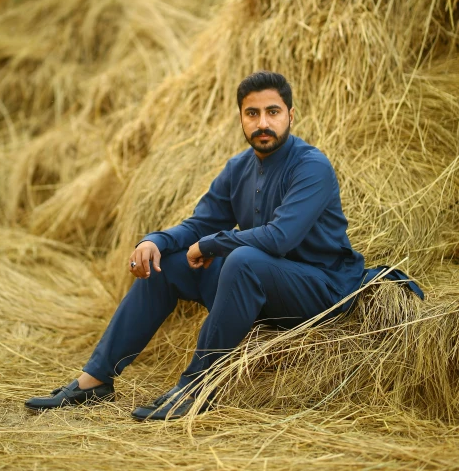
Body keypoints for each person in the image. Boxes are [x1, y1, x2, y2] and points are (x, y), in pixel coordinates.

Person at [24, 71, 420, 421]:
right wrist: (155, 241)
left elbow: (279, 238)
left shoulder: (311, 166)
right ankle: (95, 378)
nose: (263, 123)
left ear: (291, 116)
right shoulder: (238, 168)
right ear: (241, 119)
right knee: (170, 263)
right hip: (257, 291)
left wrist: (210, 245)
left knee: (244, 258)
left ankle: (196, 388)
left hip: (322, 291)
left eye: (273, 112)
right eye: (252, 114)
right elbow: (200, 223)